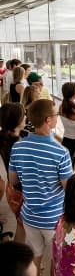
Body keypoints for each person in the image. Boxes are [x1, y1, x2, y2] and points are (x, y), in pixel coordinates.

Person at [8, 99, 73, 276]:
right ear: (48, 120)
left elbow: (13, 180)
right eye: (56, 115)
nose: (57, 118)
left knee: (35, 257)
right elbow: (69, 189)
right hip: (54, 219)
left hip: (29, 215)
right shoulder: (61, 152)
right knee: (57, 260)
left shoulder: (18, 147)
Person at [0, 103, 26, 242]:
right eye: (23, 115)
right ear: (17, 121)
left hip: (5, 194)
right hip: (13, 196)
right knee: (18, 230)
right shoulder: (19, 146)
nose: (26, 117)